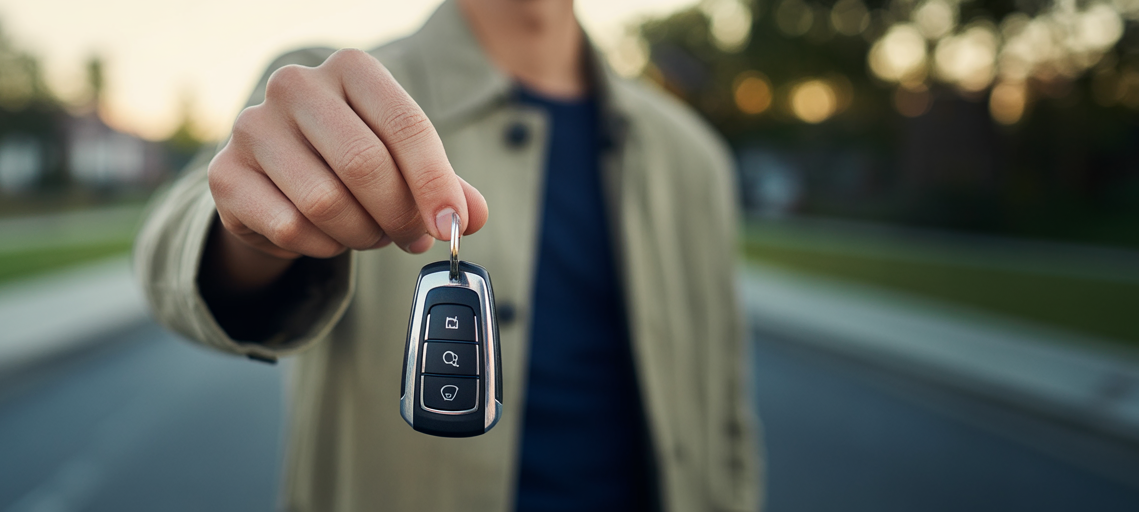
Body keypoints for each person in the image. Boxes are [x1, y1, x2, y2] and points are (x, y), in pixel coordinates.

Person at [134, 0, 761, 510]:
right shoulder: (327, 91)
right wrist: (249, 237)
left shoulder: (693, 156)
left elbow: (725, 410)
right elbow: (173, 244)